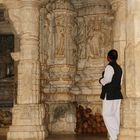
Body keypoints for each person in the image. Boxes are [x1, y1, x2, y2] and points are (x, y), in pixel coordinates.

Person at [99, 49, 123, 140]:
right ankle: (116, 134)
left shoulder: (109, 67)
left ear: (108, 58)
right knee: (115, 114)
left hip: (109, 94)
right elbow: (120, 82)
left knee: (106, 114)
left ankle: (113, 136)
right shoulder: (119, 68)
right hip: (117, 94)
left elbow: (106, 80)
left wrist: (100, 80)